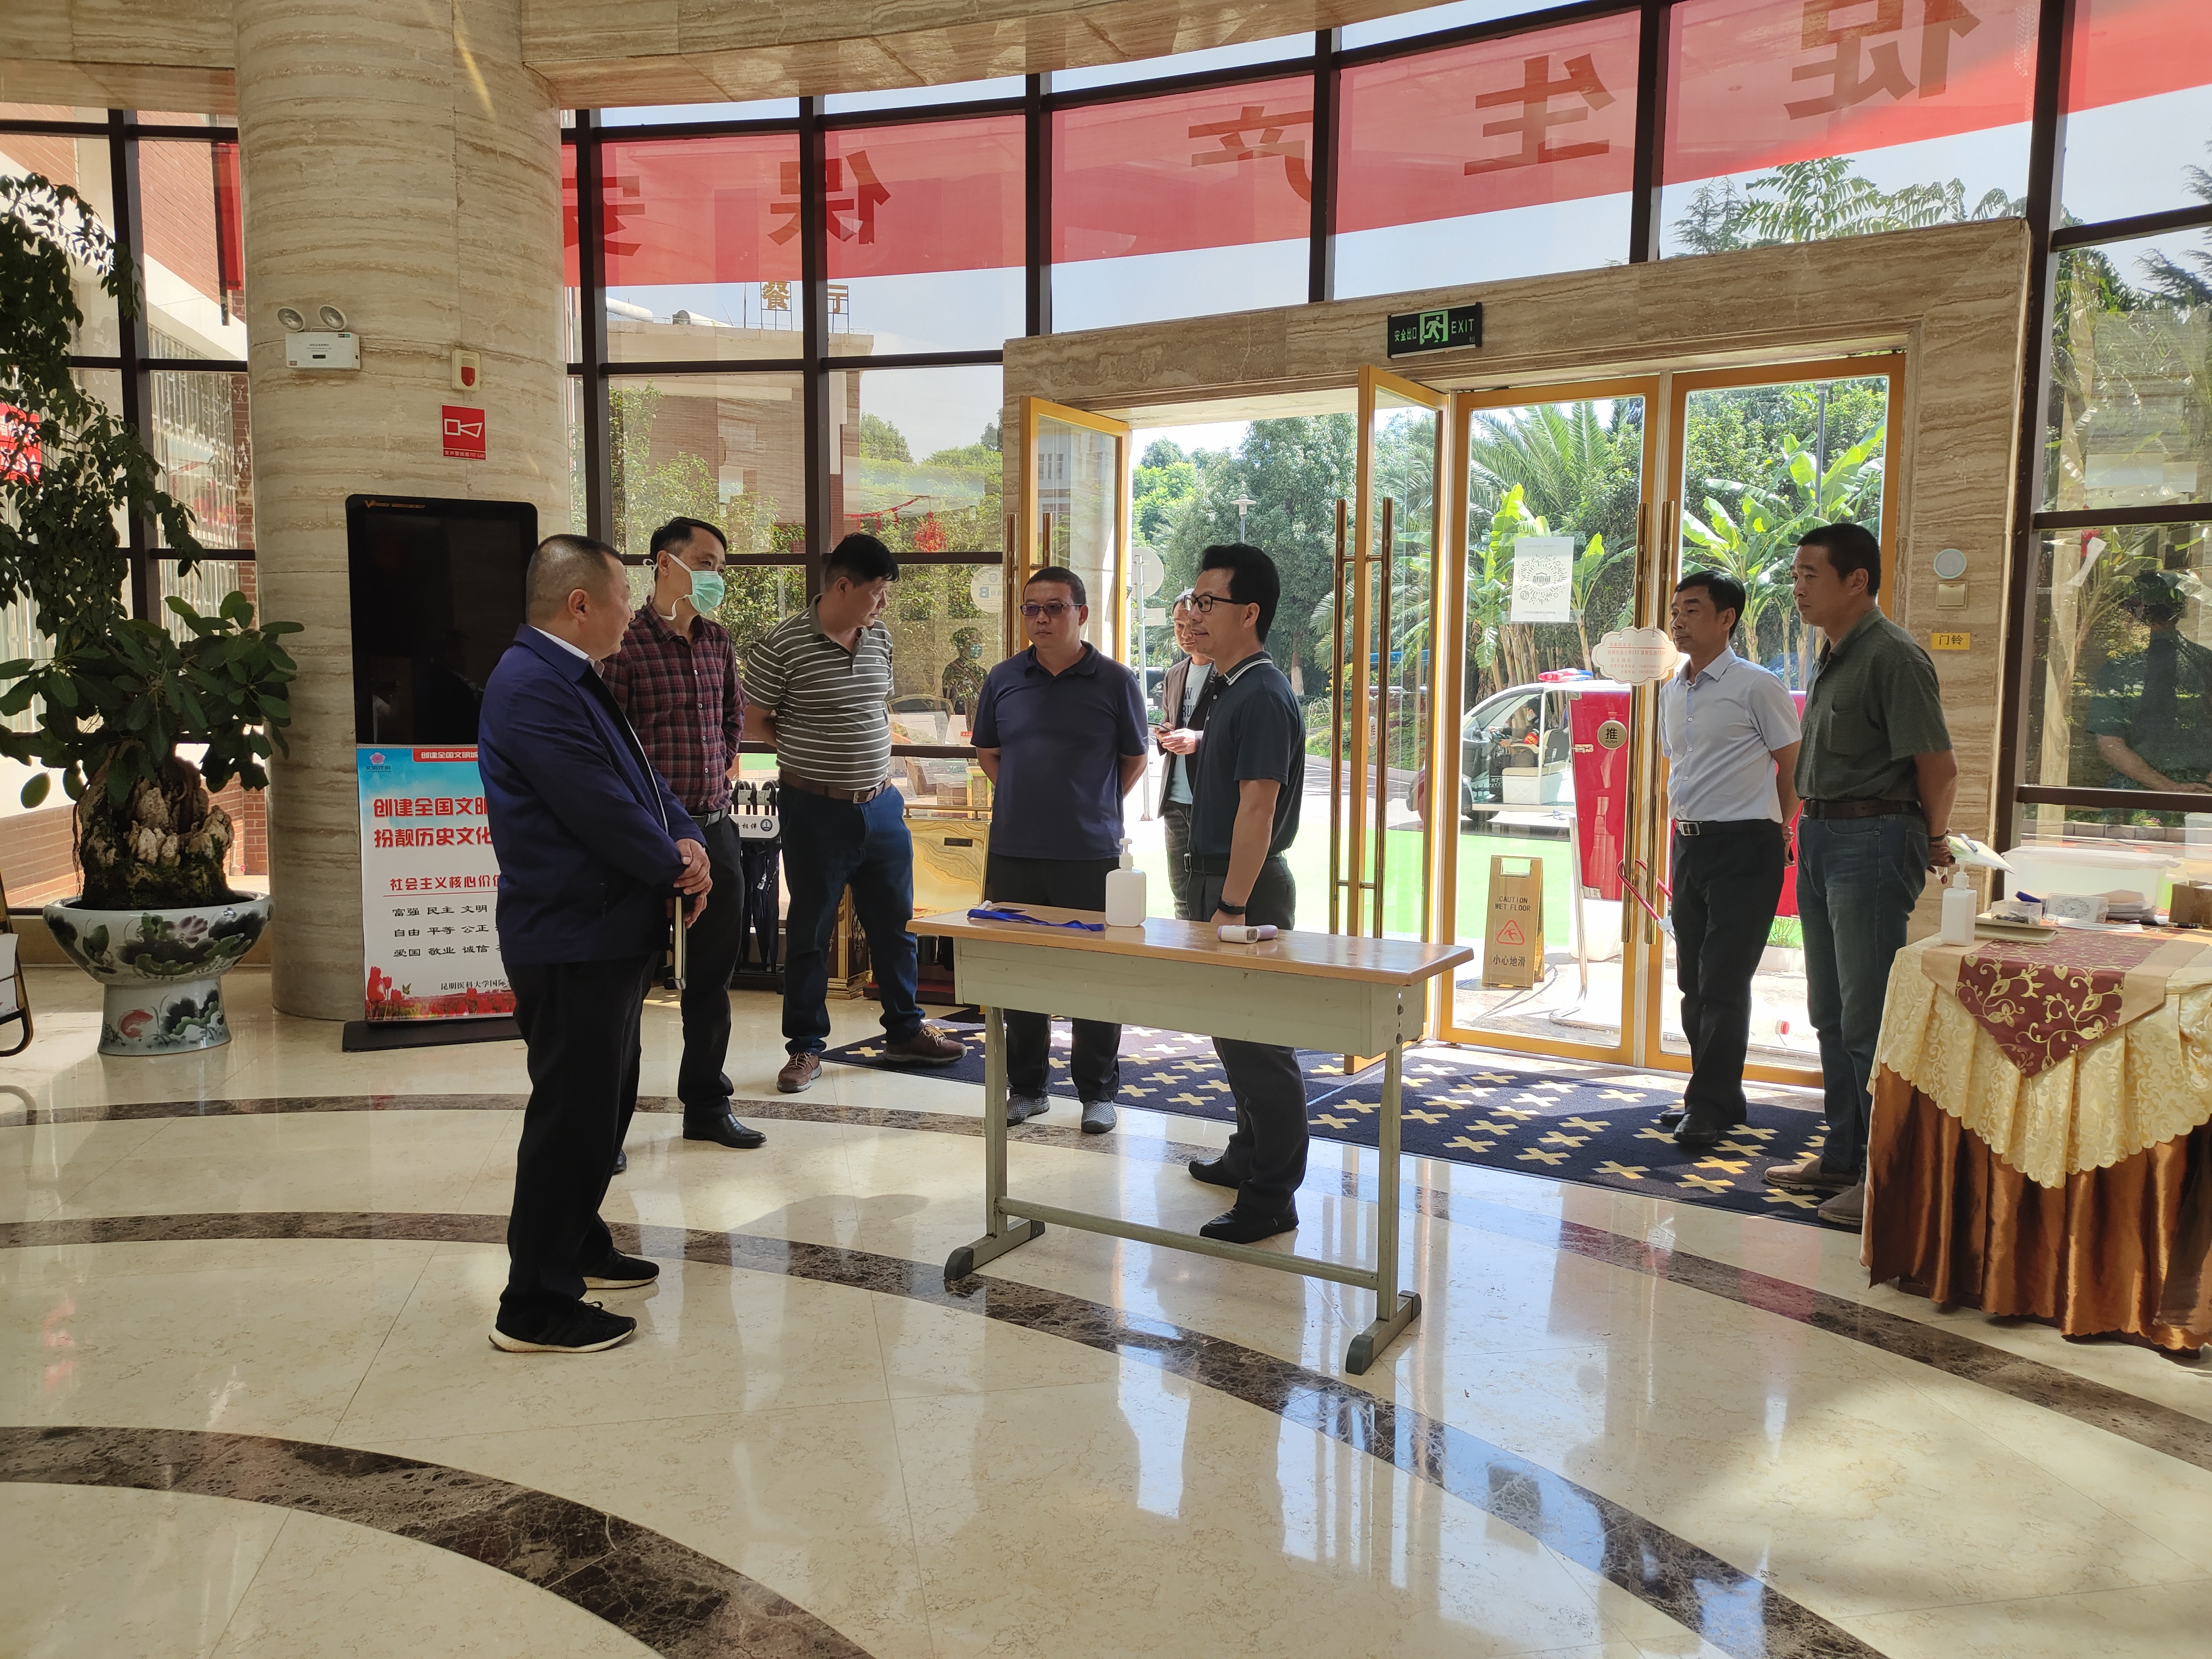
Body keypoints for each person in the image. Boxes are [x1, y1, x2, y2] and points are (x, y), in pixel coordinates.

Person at [478, 534, 712, 1354]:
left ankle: (578, 1244)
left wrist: (687, 839)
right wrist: (676, 868)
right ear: (579, 604)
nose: (632, 612)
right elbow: (598, 808)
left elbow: (642, 785)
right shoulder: (531, 686)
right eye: (621, 598)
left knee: (603, 1106)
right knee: (571, 1118)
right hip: (570, 935)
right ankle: (534, 1305)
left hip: (606, 932)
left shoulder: (573, 676)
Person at [1765, 522, 1955, 1232]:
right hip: (1823, 836)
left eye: (1810, 574)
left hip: (1873, 839)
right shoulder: (1833, 655)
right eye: (1795, 574)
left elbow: (1939, 767)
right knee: (1830, 1012)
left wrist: (1934, 839)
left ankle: (1883, 1180)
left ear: (1857, 581)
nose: (1798, 587)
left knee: (1867, 1017)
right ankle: (1842, 1157)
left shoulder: (1893, 656)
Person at [745, 532, 966, 1093]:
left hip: (882, 805)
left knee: (897, 927)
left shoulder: (879, 637)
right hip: (815, 809)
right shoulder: (782, 644)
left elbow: (872, 708)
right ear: (843, 586)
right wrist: (808, 750)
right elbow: (754, 720)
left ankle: (905, 1029)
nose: (884, 604)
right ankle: (805, 1047)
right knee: (810, 932)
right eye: (877, 593)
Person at [599, 515, 765, 1155]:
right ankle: (608, 1127)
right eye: (705, 562)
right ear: (665, 565)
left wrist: (715, 774)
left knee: (713, 981)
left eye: (721, 566)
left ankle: (706, 1105)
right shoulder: (625, 644)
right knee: (627, 986)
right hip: (647, 840)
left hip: (715, 831)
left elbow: (731, 719)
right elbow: (610, 744)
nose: (715, 576)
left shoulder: (717, 641)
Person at [972, 565, 1150, 1133]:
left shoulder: (1116, 681)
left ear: (1082, 614)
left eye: (1054, 607)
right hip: (1015, 851)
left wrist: (1091, 804)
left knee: (1095, 974)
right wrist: (1026, 798)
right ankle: (1027, 1087)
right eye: (1031, 608)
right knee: (1021, 972)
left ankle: (1098, 1091)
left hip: (1090, 854)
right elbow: (989, 751)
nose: (1041, 618)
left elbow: (1134, 759)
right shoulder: (1004, 678)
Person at [1179, 542, 1310, 1244]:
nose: (1194, 614)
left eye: (1208, 602)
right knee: (1232, 1034)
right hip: (1221, 880)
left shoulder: (1261, 693)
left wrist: (1231, 906)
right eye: (1193, 600)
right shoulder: (1230, 685)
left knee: (1261, 1045)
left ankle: (1272, 1195)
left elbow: (1258, 811)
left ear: (1249, 613)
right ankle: (1247, 1153)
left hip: (1247, 889)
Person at [1660, 569, 1802, 1149]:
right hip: (1689, 843)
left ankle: (1709, 1105)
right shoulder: (1673, 689)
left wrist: (1779, 830)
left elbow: (1793, 765)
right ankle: (1719, 1095)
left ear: (1727, 619)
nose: (1678, 621)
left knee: (1723, 977)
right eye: (1676, 610)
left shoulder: (1757, 686)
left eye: (1692, 609)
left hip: (1746, 844)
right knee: (1694, 980)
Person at [2086, 570, 2212, 793]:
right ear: (2181, 611)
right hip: (2194, 793)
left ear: (2133, 612)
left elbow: (2110, 742)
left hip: (2139, 795)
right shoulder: (2206, 663)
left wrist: (2171, 789)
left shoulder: (2117, 669)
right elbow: (2110, 742)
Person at [1152, 590, 1214, 921]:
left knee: (1213, 894)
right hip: (1175, 801)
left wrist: (1197, 740)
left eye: (1191, 624)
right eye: (1178, 625)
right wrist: (1165, 734)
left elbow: (1236, 734)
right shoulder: (1175, 673)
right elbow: (1171, 719)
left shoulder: (1228, 673)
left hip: (1210, 801)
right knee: (1181, 897)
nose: (1185, 633)